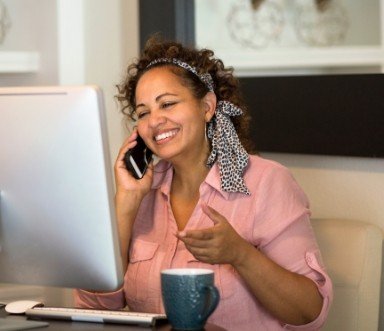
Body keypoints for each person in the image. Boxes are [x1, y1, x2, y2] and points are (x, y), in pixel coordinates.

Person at [74, 36, 333, 330]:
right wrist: (125, 204)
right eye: (143, 112)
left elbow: (310, 312)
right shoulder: (141, 191)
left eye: (167, 104)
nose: (154, 121)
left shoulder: (266, 181)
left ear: (207, 107)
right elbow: (92, 310)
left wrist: (240, 254)